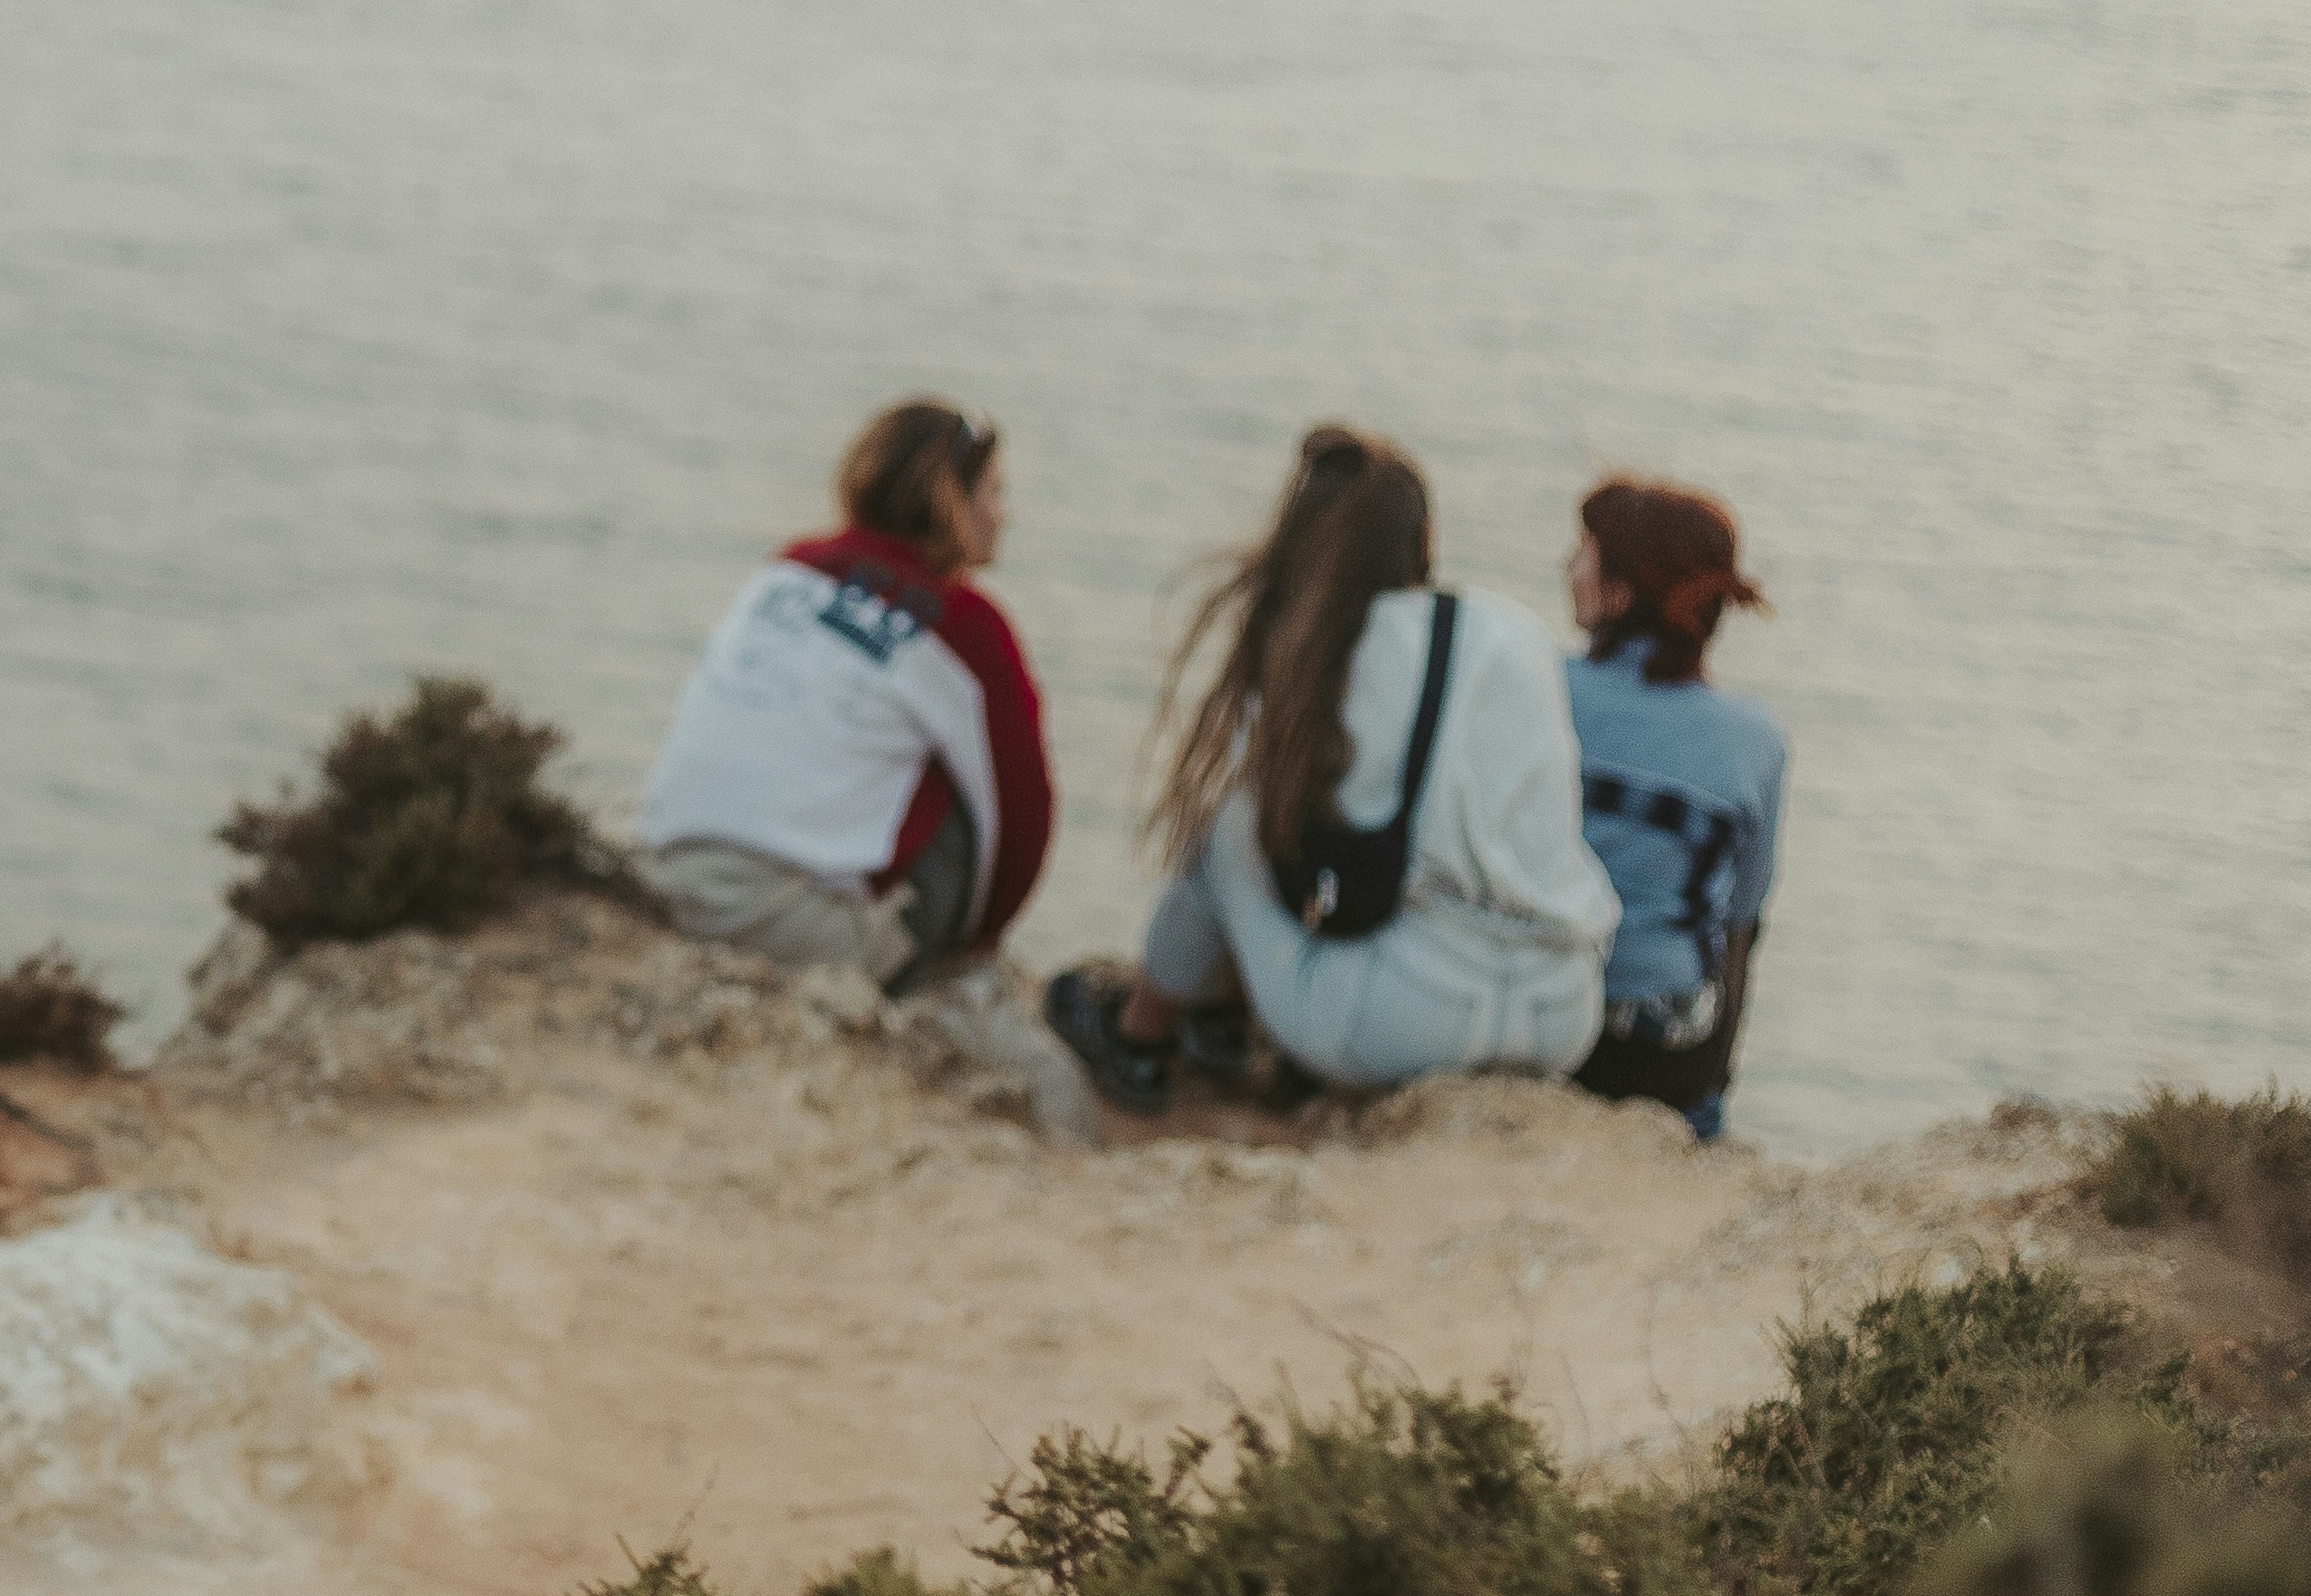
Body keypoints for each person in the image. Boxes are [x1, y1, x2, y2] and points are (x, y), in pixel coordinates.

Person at [1040, 426, 1616, 1114]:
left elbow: (1278, 844)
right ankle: (1219, 1017)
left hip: (1401, 1022)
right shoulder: (1515, 631)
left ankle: (1142, 1034)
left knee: (1229, 821)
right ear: (1424, 533)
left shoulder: (1319, 650)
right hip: (1563, 1009)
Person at [634, 399, 1054, 990]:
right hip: (788, 925)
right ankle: (917, 965)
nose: (1003, 514)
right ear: (951, 502)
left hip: (659, 877)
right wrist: (982, 940)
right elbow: (1022, 818)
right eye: (991, 492)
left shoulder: (791, 567)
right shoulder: (968, 625)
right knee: (965, 774)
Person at [1563, 477, 1784, 1139]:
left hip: (1542, 1018)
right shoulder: (1757, 739)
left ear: (1619, 590)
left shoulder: (1541, 687)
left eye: (1582, 552)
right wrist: (1714, 1079)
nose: (1566, 568)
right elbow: (1742, 925)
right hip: (1662, 1050)